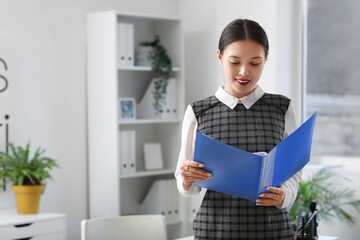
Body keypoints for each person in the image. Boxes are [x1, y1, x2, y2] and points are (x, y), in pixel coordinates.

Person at [174, 18, 301, 239]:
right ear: (220, 57)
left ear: (266, 59)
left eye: (255, 63)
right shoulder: (198, 111)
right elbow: (187, 185)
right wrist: (186, 178)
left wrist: (284, 195)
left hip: (271, 230)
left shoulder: (282, 108)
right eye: (234, 62)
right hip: (215, 229)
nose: (244, 72)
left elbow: (293, 173)